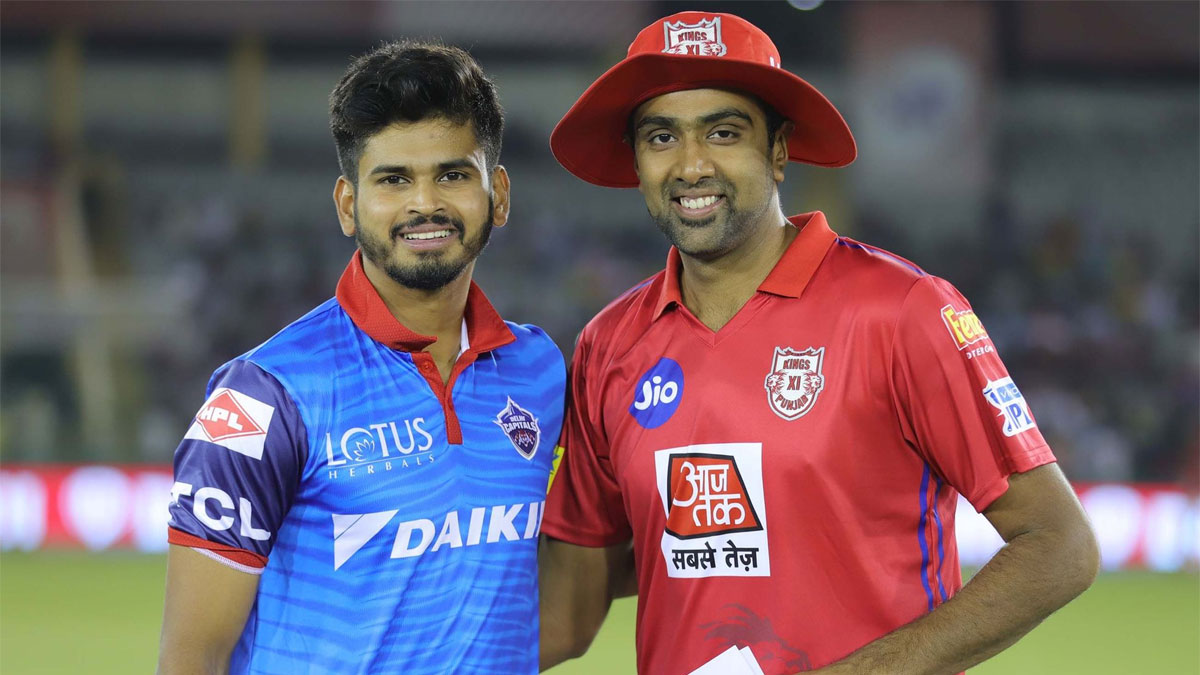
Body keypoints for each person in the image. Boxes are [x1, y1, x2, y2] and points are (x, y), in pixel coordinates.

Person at [538, 11, 1098, 675]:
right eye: (662, 136)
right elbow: (567, 610)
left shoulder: (901, 309)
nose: (691, 164)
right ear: (637, 161)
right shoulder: (608, 345)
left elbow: (1059, 543)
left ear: (779, 151)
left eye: (723, 132)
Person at [157, 41, 565, 675]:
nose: (424, 203)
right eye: (393, 179)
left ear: (499, 195)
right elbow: (192, 658)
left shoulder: (541, 372)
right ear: (348, 205)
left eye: (453, 175)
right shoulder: (262, 396)